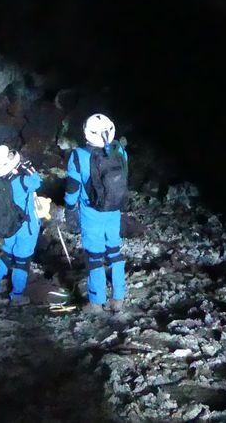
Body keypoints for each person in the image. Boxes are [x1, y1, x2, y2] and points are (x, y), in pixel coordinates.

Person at [64, 114, 129, 313]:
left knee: (95, 256)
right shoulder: (120, 151)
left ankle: (96, 302)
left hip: (91, 211)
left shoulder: (78, 156)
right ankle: (118, 298)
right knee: (114, 252)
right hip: (114, 209)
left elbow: (73, 187)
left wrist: (69, 208)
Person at [0, 145, 43, 305]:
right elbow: (37, 182)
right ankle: (17, 296)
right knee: (22, 260)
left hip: (7, 225)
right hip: (26, 225)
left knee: (7, 255)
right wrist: (27, 167)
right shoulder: (22, 181)